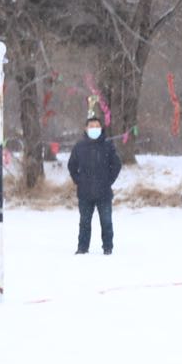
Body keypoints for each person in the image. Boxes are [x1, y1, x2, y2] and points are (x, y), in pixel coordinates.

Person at [68, 109, 122, 255]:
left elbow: (116, 165)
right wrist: (78, 180)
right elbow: (72, 166)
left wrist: (108, 181)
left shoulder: (107, 146)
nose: (94, 129)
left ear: (101, 128)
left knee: (106, 221)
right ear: (86, 129)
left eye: (97, 126)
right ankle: (82, 248)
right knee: (84, 222)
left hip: (104, 192)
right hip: (85, 193)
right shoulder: (79, 147)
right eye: (91, 127)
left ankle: (108, 248)